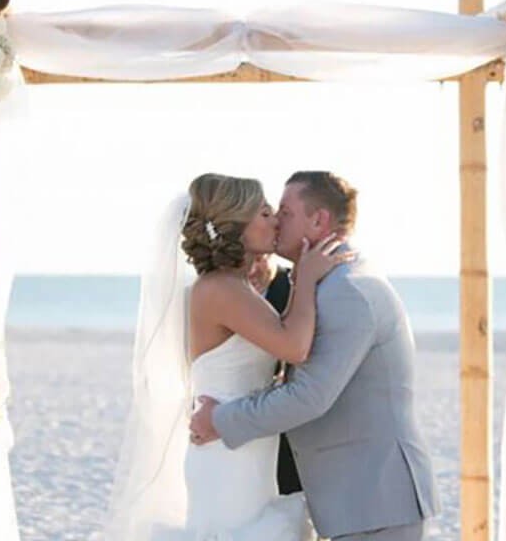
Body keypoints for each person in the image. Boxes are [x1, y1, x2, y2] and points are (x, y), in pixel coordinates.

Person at [190, 171, 440, 541]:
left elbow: (308, 396)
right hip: (357, 500)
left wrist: (220, 420)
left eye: (285, 212)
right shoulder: (326, 283)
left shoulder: (346, 291)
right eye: (269, 212)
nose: (276, 219)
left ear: (318, 220)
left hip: (372, 501)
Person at [103, 173, 351, 540]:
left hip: (243, 444)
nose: (275, 221)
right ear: (237, 226)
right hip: (227, 453)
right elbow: (294, 346)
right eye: (265, 213)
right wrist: (308, 277)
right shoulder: (220, 289)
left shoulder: (235, 287)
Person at [248, 253, 304, 496]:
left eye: (260, 258)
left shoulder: (296, 286)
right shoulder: (215, 290)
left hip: (285, 435)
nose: (252, 268)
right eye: (245, 257)